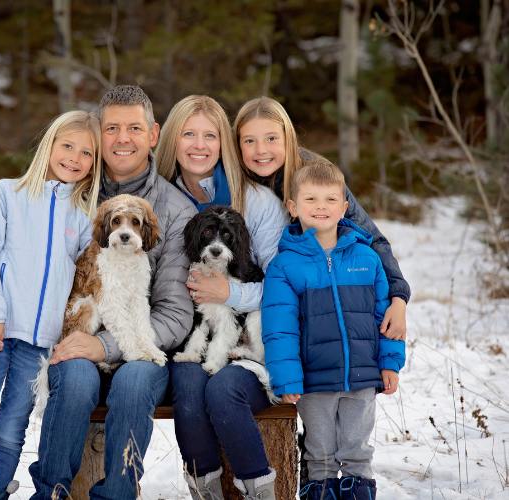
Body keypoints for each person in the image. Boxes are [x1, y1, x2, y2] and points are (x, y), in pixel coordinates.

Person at [0, 85, 197, 500]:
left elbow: (174, 314)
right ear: (96, 134)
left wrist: (104, 345)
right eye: (112, 128)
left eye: (134, 128)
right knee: (77, 377)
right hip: (67, 341)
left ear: (153, 135)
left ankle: (118, 492)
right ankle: (52, 491)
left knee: (136, 379)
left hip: (141, 347)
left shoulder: (174, 210)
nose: (123, 138)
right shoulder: (67, 191)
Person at [0, 111, 103, 500]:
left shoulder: (82, 216)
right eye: (67, 146)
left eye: (86, 153)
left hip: (40, 344)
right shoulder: (3, 194)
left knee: (12, 429)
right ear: (49, 145)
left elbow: (83, 278)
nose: (74, 158)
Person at [154, 95, 289, 499]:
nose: (199, 144)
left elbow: (282, 285)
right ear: (172, 141)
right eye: (189, 134)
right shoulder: (159, 199)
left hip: (252, 336)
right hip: (180, 334)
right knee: (192, 386)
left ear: (223, 143)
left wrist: (231, 292)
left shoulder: (258, 202)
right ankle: (205, 490)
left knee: (222, 388)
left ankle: (258, 490)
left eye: (210, 135)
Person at [262, 162, 406, 500]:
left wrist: (390, 363)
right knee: (320, 453)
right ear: (293, 208)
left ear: (344, 208)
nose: (321, 207)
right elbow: (279, 329)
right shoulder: (284, 266)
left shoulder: (367, 258)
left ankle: (359, 493)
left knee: (357, 450)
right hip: (313, 383)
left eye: (330, 200)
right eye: (311, 199)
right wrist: (287, 379)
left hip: (362, 378)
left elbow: (386, 318)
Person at [232, 97, 410, 341]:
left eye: (271, 138)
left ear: (288, 138)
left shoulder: (316, 176)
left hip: (324, 299)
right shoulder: (233, 182)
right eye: (249, 141)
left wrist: (398, 298)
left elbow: (372, 238)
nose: (261, 150)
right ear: (237, 145)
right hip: (266, 303)